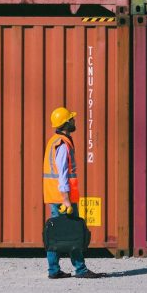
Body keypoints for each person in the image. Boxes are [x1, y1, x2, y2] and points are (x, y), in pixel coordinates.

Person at [43, 106, 106, 279]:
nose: (74, 121)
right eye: (71, 119)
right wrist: (66, 200)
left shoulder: (55, 140)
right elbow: (62, 172)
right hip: (62, 198)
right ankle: (80, 269)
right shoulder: (63, 144)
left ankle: (54, 270)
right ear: (66, 123)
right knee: (73, 232)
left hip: (54, 195)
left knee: (57, 234)